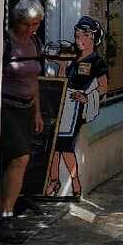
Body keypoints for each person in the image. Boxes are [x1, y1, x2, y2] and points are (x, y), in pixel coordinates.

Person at [0, 0, 46, 243]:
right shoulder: (6, 42)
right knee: (20, 158)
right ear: (18, 21)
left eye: (36, 24)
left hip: (27, 110)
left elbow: (34, 80)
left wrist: (37, 111)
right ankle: (6, 218)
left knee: (17, 162)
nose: (31, 29)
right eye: (28, 24)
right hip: (7, 109)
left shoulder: (35, 43)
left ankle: (6, 211)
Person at [46, 16, 109, 197]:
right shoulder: (72, 56)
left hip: (76, 108)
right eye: (77, 35)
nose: (79, 39)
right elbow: (63, 81)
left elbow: (103, 87)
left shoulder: (96, 61)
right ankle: (54, 181)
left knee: (65, 145)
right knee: (54, 145)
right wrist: (62, 66)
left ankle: (74, 183)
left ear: (93, 38)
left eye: (84, 35)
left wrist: (87, 97)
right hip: (63, 103)